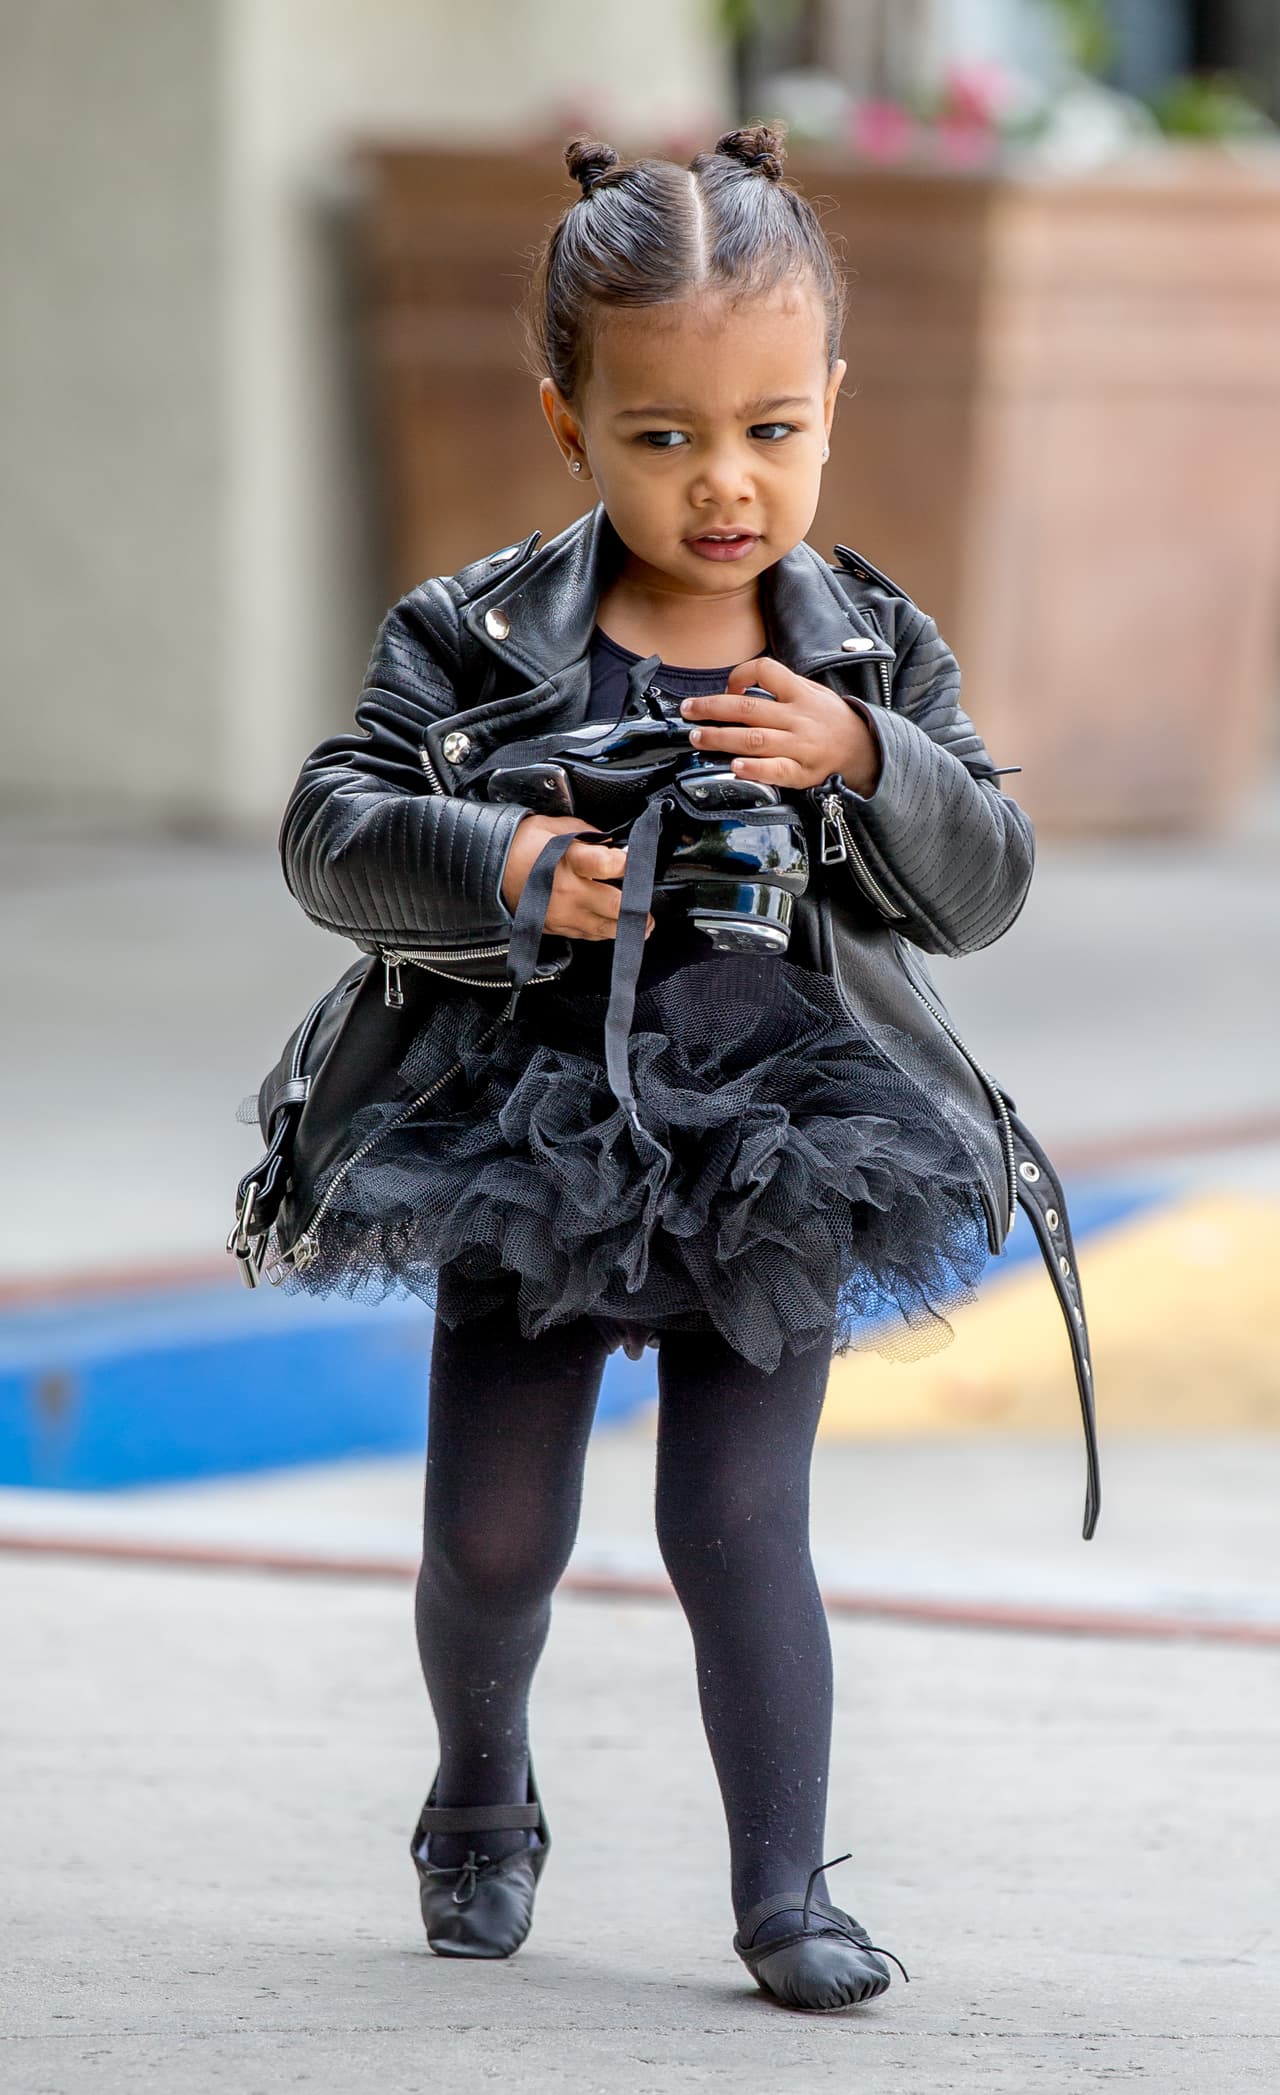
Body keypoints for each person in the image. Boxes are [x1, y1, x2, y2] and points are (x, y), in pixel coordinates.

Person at [255, 123, 1094, 2015]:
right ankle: (480, 1794)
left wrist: (870, 758)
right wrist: (507, 865)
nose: (727, 482)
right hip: (526, 1127)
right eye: (663, 437)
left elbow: (987, 891)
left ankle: (784, 1893)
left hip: (778, 1142)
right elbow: (327, 831)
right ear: (570, 425)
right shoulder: (473, 636)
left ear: (833, 405)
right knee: (494, 1534)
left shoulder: (868, 645)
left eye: (773, 429)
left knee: (738, 1529)